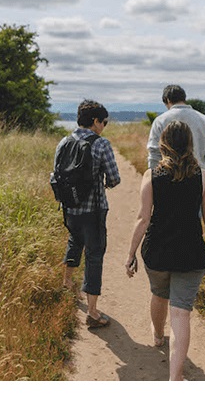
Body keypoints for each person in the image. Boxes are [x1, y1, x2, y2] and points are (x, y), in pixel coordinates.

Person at [126, 120, 205, 381]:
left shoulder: (151, 176)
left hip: (157, 251)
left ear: (163, 144)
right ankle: (175, 378)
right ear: (190, 145)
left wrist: (130, 253)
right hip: (191, 252)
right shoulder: (202, 175)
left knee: (159, 294)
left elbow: (143, 218)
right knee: (181, 312)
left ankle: (157, 336)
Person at [57, 99, 120, 328]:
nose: (104, 126)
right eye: (104, 122)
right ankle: (93, 312)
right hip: (93, 210)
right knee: (94, 255)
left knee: (74, 241)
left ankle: (67, 284)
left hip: (69, 208)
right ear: (95, 121)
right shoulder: (101, 144)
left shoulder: (64, 141)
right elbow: (114, 179)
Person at [147, 84, 205, 170]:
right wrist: (200, 161)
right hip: (197, 175)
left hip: (167, 176)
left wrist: (154, 174)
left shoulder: (160, 121)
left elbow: (154, 152)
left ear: (167, 100)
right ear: (184, 98)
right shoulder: (204, 120)